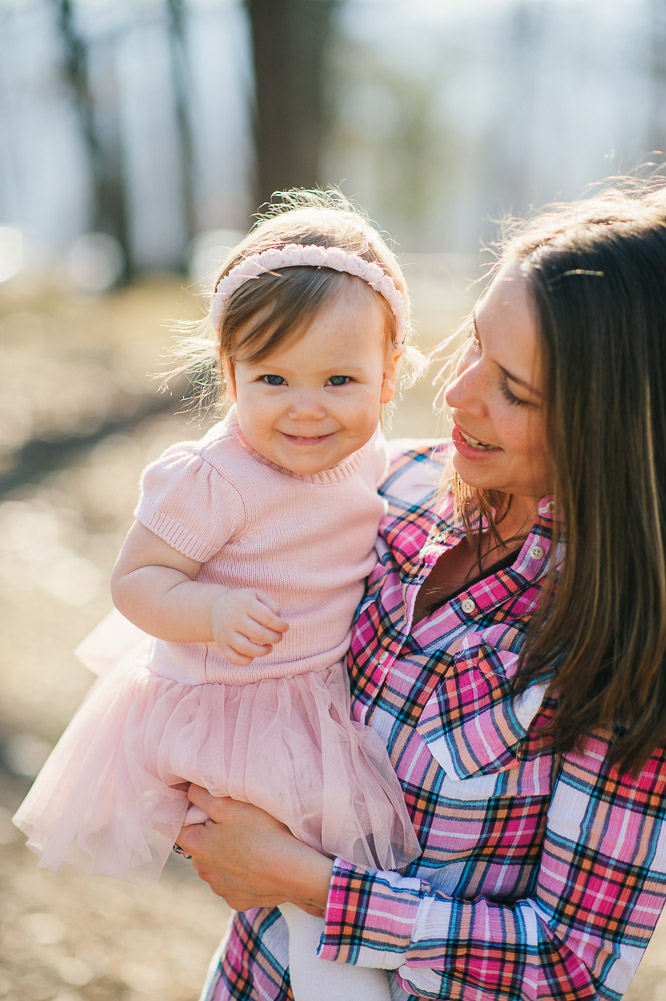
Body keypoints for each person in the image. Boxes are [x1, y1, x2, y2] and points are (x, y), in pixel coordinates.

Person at [175, 177, 666, 1001]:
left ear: (610, 428)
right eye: (475, 344)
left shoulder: (619, 643)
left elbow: (571, 963)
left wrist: (309, 883)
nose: (457, 392)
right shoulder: (379, 493)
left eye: (514, 389)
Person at [12, 189, 426, 1001]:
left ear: (388, 378)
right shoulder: (216, 477)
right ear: (229, 372)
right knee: (302, 875)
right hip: (235, 710)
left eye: (339, 378)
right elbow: (136, 580)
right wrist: (210, 610)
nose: (306, 408)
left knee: (320, 877)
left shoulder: (372, 451)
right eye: (272, 377)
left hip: (309, 701)